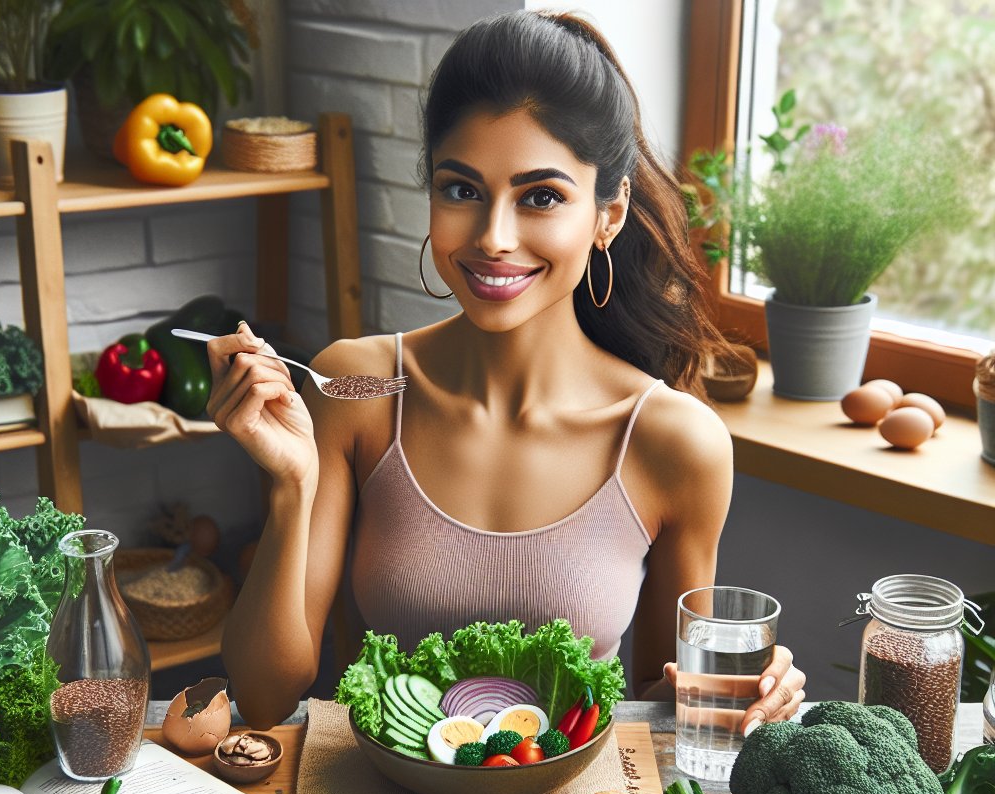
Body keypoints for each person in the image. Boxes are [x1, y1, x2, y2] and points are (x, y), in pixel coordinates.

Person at [206, 10, 806, 731]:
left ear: (608, 213)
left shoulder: (674, 443)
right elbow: (267, 698)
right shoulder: (358, 389)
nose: (493, 237)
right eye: (462, 190)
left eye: (541, 197)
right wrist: (290, 486)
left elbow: (663, 702)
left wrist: (750, 688)